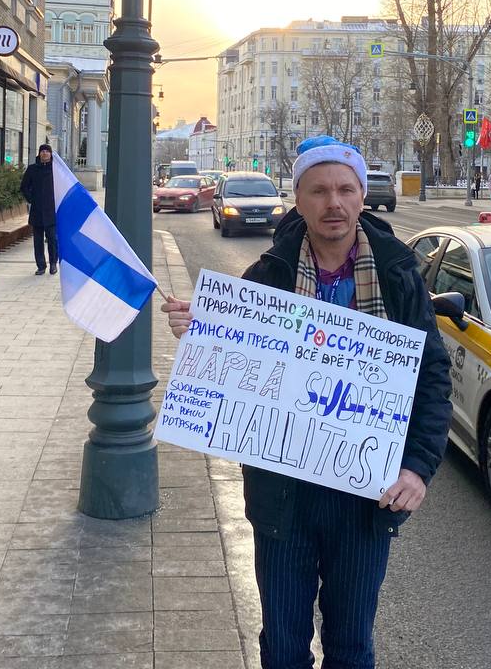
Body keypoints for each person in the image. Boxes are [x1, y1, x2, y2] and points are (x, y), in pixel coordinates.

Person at [161, 135, 452, 669]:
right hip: (282, 497)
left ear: (362, 197)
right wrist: (202, 334)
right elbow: (238, 355)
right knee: (283, 646)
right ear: (297, 199)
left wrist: (417, 468)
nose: (333, 203)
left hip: (364, 500)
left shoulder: (397, 274)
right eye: (318, 191)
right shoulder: (269, 272)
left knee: (351, 646)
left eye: (345, 189)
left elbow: (432, 376)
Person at [21, 143, 58, 275]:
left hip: (51, 211)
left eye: (47, 151)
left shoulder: (55, 170)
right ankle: (41, 266)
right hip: (37, 211)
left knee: (52, 239)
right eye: (42, 151)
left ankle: (53, 263)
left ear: (51, 154)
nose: (45, 153)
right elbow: (24, 187)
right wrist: (31, 199)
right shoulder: (32, 169)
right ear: (39, 154)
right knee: (38, 241)